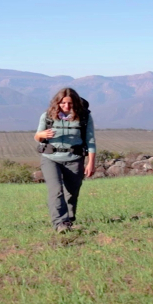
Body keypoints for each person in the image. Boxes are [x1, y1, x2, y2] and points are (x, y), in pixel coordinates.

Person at [34, 88, 96, 233]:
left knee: (72, 192)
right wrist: (41, 135)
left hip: (75, 158)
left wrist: (91, 162)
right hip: (50, 158)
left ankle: (69, 220)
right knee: (56, 190)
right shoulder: (47, 116)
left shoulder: (84, 117)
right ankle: (59, 223)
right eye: (63, 103)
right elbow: (37, 137)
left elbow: (91, 140)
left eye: (70, 103)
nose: (67, 106)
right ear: (57, 103)